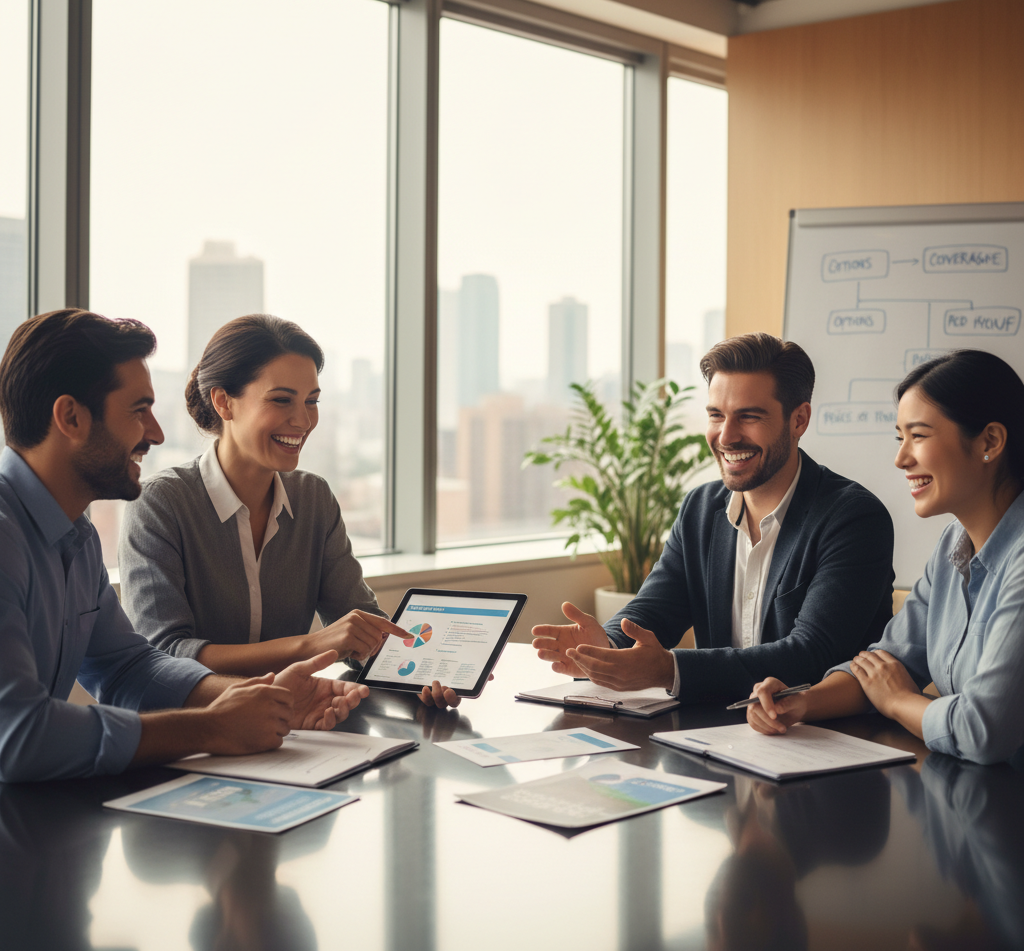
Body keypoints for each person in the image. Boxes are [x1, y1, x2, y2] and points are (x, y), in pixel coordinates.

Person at [0, 309, 368, 783]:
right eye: (138, 411)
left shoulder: (77, 535)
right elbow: (17, 733)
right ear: (71, 417)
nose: (156, 433)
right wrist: (210, 727)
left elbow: (125, 668)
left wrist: (259, 701)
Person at [118, 313, 459, 709]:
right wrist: (311, 644)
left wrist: (423, 669)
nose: (302, 420)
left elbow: (358, 625)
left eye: (311, 401)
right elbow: (167, 652)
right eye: (282, 400)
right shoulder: (162, 503)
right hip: (192, 728)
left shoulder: (313, 497)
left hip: (293, 725)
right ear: (223, 401)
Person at [532, 333, 894, 702]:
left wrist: (670, 669)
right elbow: (655, 609)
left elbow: (812, 654)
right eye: (716, 415)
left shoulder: (854, 518)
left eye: (749, 417)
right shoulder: (701, 508)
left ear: (798, 419)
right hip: (718, 734)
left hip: (824, 737)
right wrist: (606, 645)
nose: (727, 436)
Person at [747, 350, 1024, 765]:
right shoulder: (954, 544)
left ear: (990, 441)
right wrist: (800, 703)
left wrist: (897, 701)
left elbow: (982, 731)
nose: (901, 458)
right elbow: (888, 662)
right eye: (900, 438)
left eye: (919, 436)